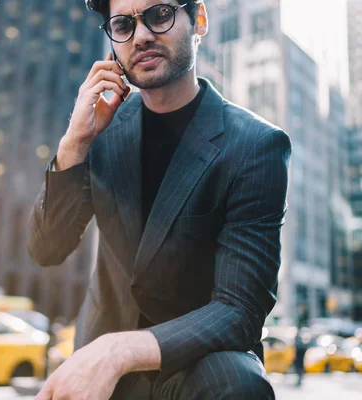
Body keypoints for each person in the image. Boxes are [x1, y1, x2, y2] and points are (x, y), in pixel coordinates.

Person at [28, 1, 291, 399]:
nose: (143, 35)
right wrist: (74, 144)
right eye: (123, 24)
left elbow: (239, 310)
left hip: (197, 366)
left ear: (198, 19)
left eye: (160, 14)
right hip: (102, 369)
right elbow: (47, 249)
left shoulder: (255, 146)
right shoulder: (102, 130)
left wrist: (120, 350)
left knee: (240, 384)